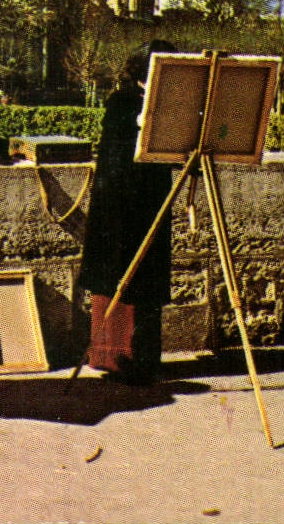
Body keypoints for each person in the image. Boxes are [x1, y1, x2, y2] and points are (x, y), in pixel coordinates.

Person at [76, 40, 176, 385]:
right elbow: (118, 159)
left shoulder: (169, 105)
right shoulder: (121, 103)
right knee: (120, 283)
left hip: (151, 204)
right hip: (120, 209)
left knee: (146, 285)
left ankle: (144, 359)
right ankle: (115, 357)